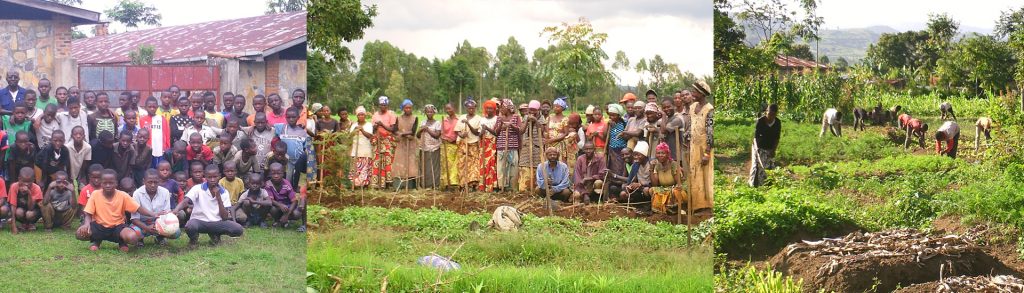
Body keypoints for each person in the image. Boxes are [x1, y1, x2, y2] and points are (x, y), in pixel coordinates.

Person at [77, 170, 159, 251]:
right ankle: (97, 241)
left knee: (133, 238)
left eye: (111, 183)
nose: (108, 185)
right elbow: (88, 213)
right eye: (105, 183)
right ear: (101, 183)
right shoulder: (95, 194)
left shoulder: (123, 195)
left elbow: (138, 209)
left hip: (117, 227)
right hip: (99, 226)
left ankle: (122, 242)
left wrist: (153, 214)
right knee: (79, 234)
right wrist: (86, 224)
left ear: (116, 183)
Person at [171, 165, 244, 248]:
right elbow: (185, 201)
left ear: (219, 176)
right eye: (209, 177)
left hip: (217, 222)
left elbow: (224, 217)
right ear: (205, 177)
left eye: (215, 177)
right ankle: (194, 239)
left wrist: (218, 198)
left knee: (238, 229)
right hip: (200, 222)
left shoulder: (224, 192)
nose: (212, 180)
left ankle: (215, 234)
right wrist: (175, 211)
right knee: (190, 225)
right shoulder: (197, 188)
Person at [687, 81, 715, 216]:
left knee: (705, 176)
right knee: (694, 174)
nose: (693, 94)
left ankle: (707, 207)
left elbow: (711, 133)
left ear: (701, 94)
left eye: (695, 92)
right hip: (693, 147)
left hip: (704, 147)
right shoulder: (692, 107)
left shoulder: (709, 109)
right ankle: (697, 206)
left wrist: (707, 153)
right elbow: (691, 125)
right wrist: (687, 136)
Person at [130, 169, 177, 246]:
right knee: (135, 233)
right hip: (141, 223)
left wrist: (158, 226)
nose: (153, 185)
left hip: (158, 222)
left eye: (155, 182)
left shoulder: (165, 192)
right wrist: (147, 228)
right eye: (150, 182)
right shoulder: (137, 194)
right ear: (144, 181)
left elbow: (166, 215)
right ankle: (140, 240)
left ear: (159, 181)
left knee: (176, 232)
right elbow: (134, 219)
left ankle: (160, 237)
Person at [274, 107, 315, 189]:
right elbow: (267, 126)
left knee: (296, 177)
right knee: (287, 179)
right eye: (288, 117)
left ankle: (297, 189)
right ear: (285, 117)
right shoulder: (281, 128)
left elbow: (306, 148)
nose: (291, 119)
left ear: (298, 118)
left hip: (297, 161)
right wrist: (252, 128)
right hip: (286, 160)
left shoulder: (302, 132)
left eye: (293, 117)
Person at [647, 142, 687, 214]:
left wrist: (673, 189)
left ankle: (678, 209)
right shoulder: (657, 166)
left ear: (668, 154)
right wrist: (651, 170)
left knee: (676, 191)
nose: (660, 155)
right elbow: (655, 184)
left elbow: (678, 182)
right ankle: (662, 210)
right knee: (652, 190)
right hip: (665, 188)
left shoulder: (673, 164)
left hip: (675, 187)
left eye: (663, 153)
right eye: (658, 153)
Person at [454, 98, 484, 190]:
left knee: (474, 165)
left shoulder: (479, 118)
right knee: (463, 164)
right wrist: (462, 135)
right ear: (466, 108)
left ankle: (472, 184)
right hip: (463, 144)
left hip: (473, 144)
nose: (471, 110)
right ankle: (463, 184)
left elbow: (477, 133)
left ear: (475, 108)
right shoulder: (462, 117)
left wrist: (468, 124)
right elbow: (457, 130)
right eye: (469, 108)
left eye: (473, 108)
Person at [750, 104, 781, 187]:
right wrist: (757, 150)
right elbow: (756, 137)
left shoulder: (777, 122)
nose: (770, 116)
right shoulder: (760, 121)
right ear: (766, 112)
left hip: (770, 147)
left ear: (776, 114)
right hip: (758, 146)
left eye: (772, 114)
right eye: (768, 114)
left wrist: (773, 150)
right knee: (757, 166)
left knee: (769, 167)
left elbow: (777, 138)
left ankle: (768, 186)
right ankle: (754, 185)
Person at [546, 97, 578, 178]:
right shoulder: (549, 117)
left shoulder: (565, 119)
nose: (555, 108)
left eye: (557, 106)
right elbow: (547, 130)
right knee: (549, 163)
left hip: (559, 144)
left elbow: (565, 133)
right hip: (549, 144)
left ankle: (560, 180)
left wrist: (553, 139)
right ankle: (549, 181)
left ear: (562, 108)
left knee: (559, 163)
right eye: (554, 106)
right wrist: (546, 138)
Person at [266, 162, 303, 231]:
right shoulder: (268, 184)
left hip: (288, 207)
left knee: (297, 214)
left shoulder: (286, 184)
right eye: (273, 173)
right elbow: (270, 199)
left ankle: (286, 219)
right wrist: (280, 205)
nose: (276, 176)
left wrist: (287, 215)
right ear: (270, 174)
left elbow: (294, 201)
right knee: (271, 207)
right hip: (277, 207)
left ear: (283, 174)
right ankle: (277, 220)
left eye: (278, 173)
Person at [518, 100, 546, 191]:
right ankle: (524, 189)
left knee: (537, 166)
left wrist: (535, 121)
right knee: (525, 166)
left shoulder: (541, 118)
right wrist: (527, 121)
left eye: (534, 110)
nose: (532, 112)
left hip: (537, 147)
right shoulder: (525, 117)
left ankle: (535, 189)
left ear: (538, 110)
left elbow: (542, 131)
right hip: (526, 147)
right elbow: (521, 131)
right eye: (530, 110)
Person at [370, 96, 397, 189]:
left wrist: (382, 125)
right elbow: (372, 129)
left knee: (388, 162)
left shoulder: (391, 114)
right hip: (377, 140)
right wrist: (376, 126)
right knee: (377, 161)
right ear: (379, 105)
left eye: (384, 105)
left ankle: (388, 183)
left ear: (387, 105)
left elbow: (393, 129)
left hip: (387, 141)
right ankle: (377, 184)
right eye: (381, 105)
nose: (383, 107)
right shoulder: (375, 115)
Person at [495, 99, 521, 192]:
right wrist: (501, 123)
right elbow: (496, 133)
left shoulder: (516, 117)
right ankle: (502, 188)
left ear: (508, 107)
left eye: (502, 107)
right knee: (501, 169)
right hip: (501, 147)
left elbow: (520, 131)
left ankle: (512, 189)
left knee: (513, 168)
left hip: (512, 147)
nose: (500, 109)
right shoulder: (499, 118)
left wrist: (511, 125)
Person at [393, 99, 419, 188]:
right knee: (399, 163)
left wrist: (402, 133)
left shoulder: (415, 118)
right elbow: (395, 130)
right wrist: (399, 134)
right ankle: (399, 185)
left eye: (410, 108)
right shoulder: (398, 118)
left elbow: (413, 132)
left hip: (410, 144)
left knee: (411, 164)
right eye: (406, 108)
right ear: (403, 108)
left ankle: (411, 185)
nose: (408, 109)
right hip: (401, 144)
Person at [616, 141, 651, 207]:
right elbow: (630, 179)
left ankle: (647, 207)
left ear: (644, 155)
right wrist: (630, 186)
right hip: (638, 188)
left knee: (646, 190)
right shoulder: (636, 164)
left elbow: (654, 183)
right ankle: (633, 206)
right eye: (634, 155)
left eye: (638, 155)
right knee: (623, 193)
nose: (635, 157)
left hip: (647, 187)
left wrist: (641, 184)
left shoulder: (651, 163)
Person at [9, 167, 42, 232]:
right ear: (19, 179)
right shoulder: (14, 187)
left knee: (29, 214)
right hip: (21, 210)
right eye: (24, 181)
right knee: (18, 212)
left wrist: (29, 193)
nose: (26, 184)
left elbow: (31, 208)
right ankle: (24, 224)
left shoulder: (36, 188)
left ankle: (31, 224)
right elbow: (13, 206)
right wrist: (13, 226)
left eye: (29, 181)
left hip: (32, 211)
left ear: (33, 180)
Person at [417, 104, 442, 189]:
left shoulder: (437, 123)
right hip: (424, 147)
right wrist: (421, 129)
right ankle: (425, 184)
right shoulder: (422, 122)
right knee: (424, 166)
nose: (429, 113)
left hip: (434, 148)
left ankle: (434, 185)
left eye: (431, 112)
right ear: (425, 113)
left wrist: (427, 129)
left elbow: (437, 135)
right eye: (427, 112)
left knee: (434, 166)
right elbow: (417, 135)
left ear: (434, 112)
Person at [348, 107, 373, 188]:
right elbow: (349, 136)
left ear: (365, 115)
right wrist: (354, 130)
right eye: (359, 115)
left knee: (364, 169)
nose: (361, 116)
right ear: (357, 116)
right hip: (355, 150)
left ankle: (364, 185)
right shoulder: (354, 125)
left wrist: (362, 130)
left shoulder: (369, 125)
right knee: (355, 169)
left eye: (362, 115)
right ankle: (355, 185)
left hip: (365, 150)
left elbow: (369, 136)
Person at [478, 99, 499, 191]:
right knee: (483, 164)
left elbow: (496, 133)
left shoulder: (497, 119)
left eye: (491, 108)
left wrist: (487, 128)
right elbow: (479, 134)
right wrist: (482, 131)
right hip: (484, 143)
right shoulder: (482, 119)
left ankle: (492, 185)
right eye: (487, 108)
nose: (489, 110)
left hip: (493, 143)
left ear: (494, 109)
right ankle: (483, 185)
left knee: (492, 164)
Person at [439, 103, 460, 190]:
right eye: (447, 109)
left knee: (455, 165)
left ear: (454, 108)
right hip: (446, 145)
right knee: (445, 165)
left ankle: (454, 184)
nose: (448, 111)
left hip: (455, 145)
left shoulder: (458, 119)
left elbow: (460, 132)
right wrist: (444, 139)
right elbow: (441, 133)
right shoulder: (444, 120)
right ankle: (446, 184)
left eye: (450, 109)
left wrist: (455, 140)